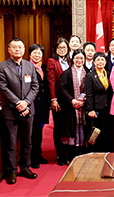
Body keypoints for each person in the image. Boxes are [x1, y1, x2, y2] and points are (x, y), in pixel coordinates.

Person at [0, 38, 39, 184]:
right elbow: (3, 88)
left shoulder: (29, 66)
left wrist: (26, 102)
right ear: (9, 49)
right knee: (11, 143)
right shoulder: (1, 67)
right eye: (14, 47)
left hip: (28, 109)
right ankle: (11, 171)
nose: (17, 50)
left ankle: (25, 167)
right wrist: (18, 103)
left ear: (24, 49)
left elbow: (35, 86)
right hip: (10, 111)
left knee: (27, 141)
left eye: (20, 47)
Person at [59, 49, 87, 161]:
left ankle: (81, 151)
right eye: (77, 58)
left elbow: (90, 89)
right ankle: (71, 154)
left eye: (81, 58)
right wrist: (72, 100)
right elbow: (62, 89)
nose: (79, 60)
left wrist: (84, 101)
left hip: (84, 105)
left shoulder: (88, 72)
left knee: (83, 128)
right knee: (72, 129)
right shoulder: (66, 73)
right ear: (72, 59)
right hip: (70, 107)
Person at [47, 37, 70, 166]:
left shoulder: (71, 61)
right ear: (56, 49)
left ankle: (67, 152)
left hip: (69, 99)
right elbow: (51, 81)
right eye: (60, 48)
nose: (62, 50)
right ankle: (59, 153)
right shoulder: (52, 61)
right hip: (58, 99)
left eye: (65, 48)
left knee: (67, 127)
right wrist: (53, 99)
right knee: (59, 127)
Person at [85, 52, 113, 152]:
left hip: (108, 108)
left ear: (105, 62)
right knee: (95, 131)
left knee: (106, 130)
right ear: (94, 62)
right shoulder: (90, 76)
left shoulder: (108, 74)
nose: (100, 62)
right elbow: (89, 94)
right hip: (96, 109)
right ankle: (93, 151)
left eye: (102, 60)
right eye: (98, 60)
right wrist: (90, 109)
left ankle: (104, 151)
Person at [29, 44, 50, 169]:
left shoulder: (45, 68)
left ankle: (39, 154)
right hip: (32, 104)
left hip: (43, 105)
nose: (37, 55)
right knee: (32, 132)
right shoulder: (27, 67)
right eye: (35, 53)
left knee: (39, 131)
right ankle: (33, 157)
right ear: (30, 54)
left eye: (39, 53)